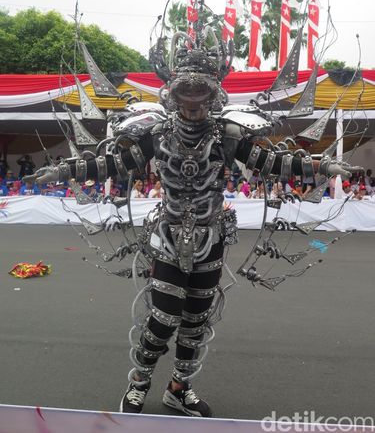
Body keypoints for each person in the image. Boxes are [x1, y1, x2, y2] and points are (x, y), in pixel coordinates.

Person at [24, 32, 360, 418]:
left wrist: (322, 166)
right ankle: (138, 384)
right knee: (163, 317)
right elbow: (113, 164)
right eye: (186, 94)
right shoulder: (155, 133)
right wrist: (65, 171)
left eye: (201, 95)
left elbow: (275, 164)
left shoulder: (228, 134)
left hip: (212, 237)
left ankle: (178, 389)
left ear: (213, 95)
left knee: (196, 321)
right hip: (168, 237)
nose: (194, 103)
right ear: (174, 95)